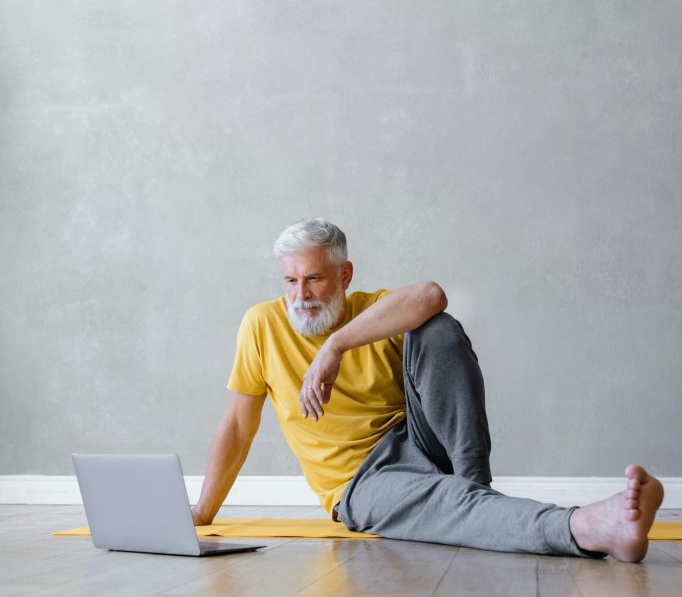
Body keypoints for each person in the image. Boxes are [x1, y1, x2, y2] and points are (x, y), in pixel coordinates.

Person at [192, 218, 664, 562]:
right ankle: (589, 526)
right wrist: (203, 511)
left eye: (314, 278)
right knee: (452, 508)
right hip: (363, 482)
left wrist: (335, 345)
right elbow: (238, 424)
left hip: (422, 439)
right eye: (291, 281)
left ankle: (476, 489)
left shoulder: (371, 309)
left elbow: (432, 295)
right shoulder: (262, 324)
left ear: (344, 275)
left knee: (436, 328)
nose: (301, 295)